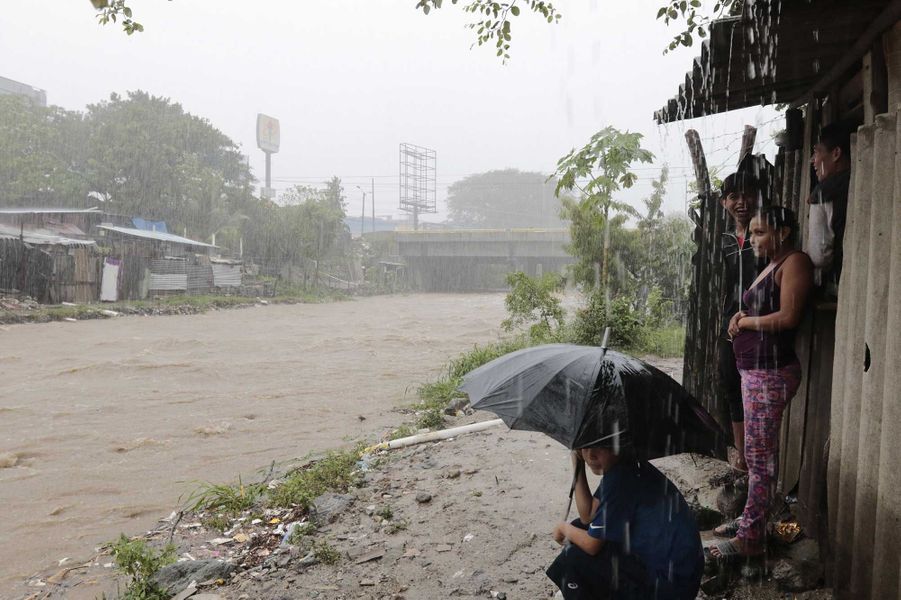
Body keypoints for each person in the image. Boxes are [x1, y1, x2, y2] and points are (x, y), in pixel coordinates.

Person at [708, 206, 813, 559]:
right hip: (754, 372)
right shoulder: (770, 264)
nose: (751, 239)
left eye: (760, 233)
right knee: (756, 456)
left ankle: (750, 540)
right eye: (751, 233)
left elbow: (788, 316)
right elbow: (761, 308)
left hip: (770, 374)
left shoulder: (794, 262)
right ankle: (753, 520)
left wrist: (748, 324)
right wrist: (741, 315)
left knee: (760, 456)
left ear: (782, 232)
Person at [546, 445, 703, 599]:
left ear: (619, 445)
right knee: (580, 528)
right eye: (585, 447)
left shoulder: (620, 479)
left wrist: (563, 527)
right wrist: (578, 464)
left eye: (601, 447)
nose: (591, 456)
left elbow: (592, 545)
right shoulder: (627, 464)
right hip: (675, 575)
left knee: (573, 557)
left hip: (669, 588)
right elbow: (588, 515)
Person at [717, 171, 764, 475]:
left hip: (759, 325)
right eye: (734, 196)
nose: (741, 202)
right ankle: (742, 461)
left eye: (746, 194)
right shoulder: (721, 242)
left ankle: (757, 461)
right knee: (731, 385)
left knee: (756, 392)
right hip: (728, 327)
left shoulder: (764, 236)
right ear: (724, 203)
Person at [807, 121, 852, 294]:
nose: (813, 160)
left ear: (836, 153)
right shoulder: (862, 178)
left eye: (816, 152)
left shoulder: (823, 193)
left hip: (842, 283)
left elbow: (819, 257)